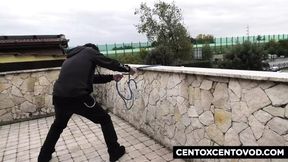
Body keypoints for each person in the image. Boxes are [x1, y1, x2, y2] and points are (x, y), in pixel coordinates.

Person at [38, 43, 136, 162]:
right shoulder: (90, 51)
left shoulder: (71, 57)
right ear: (94, 51)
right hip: (78, 97)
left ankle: (43, 156)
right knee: (105, 119)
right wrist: (128, 69)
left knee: (58, 126)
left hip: (59, 97)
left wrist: (111, 77)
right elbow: (110, 62)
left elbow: (90, 78)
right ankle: (114, 151)